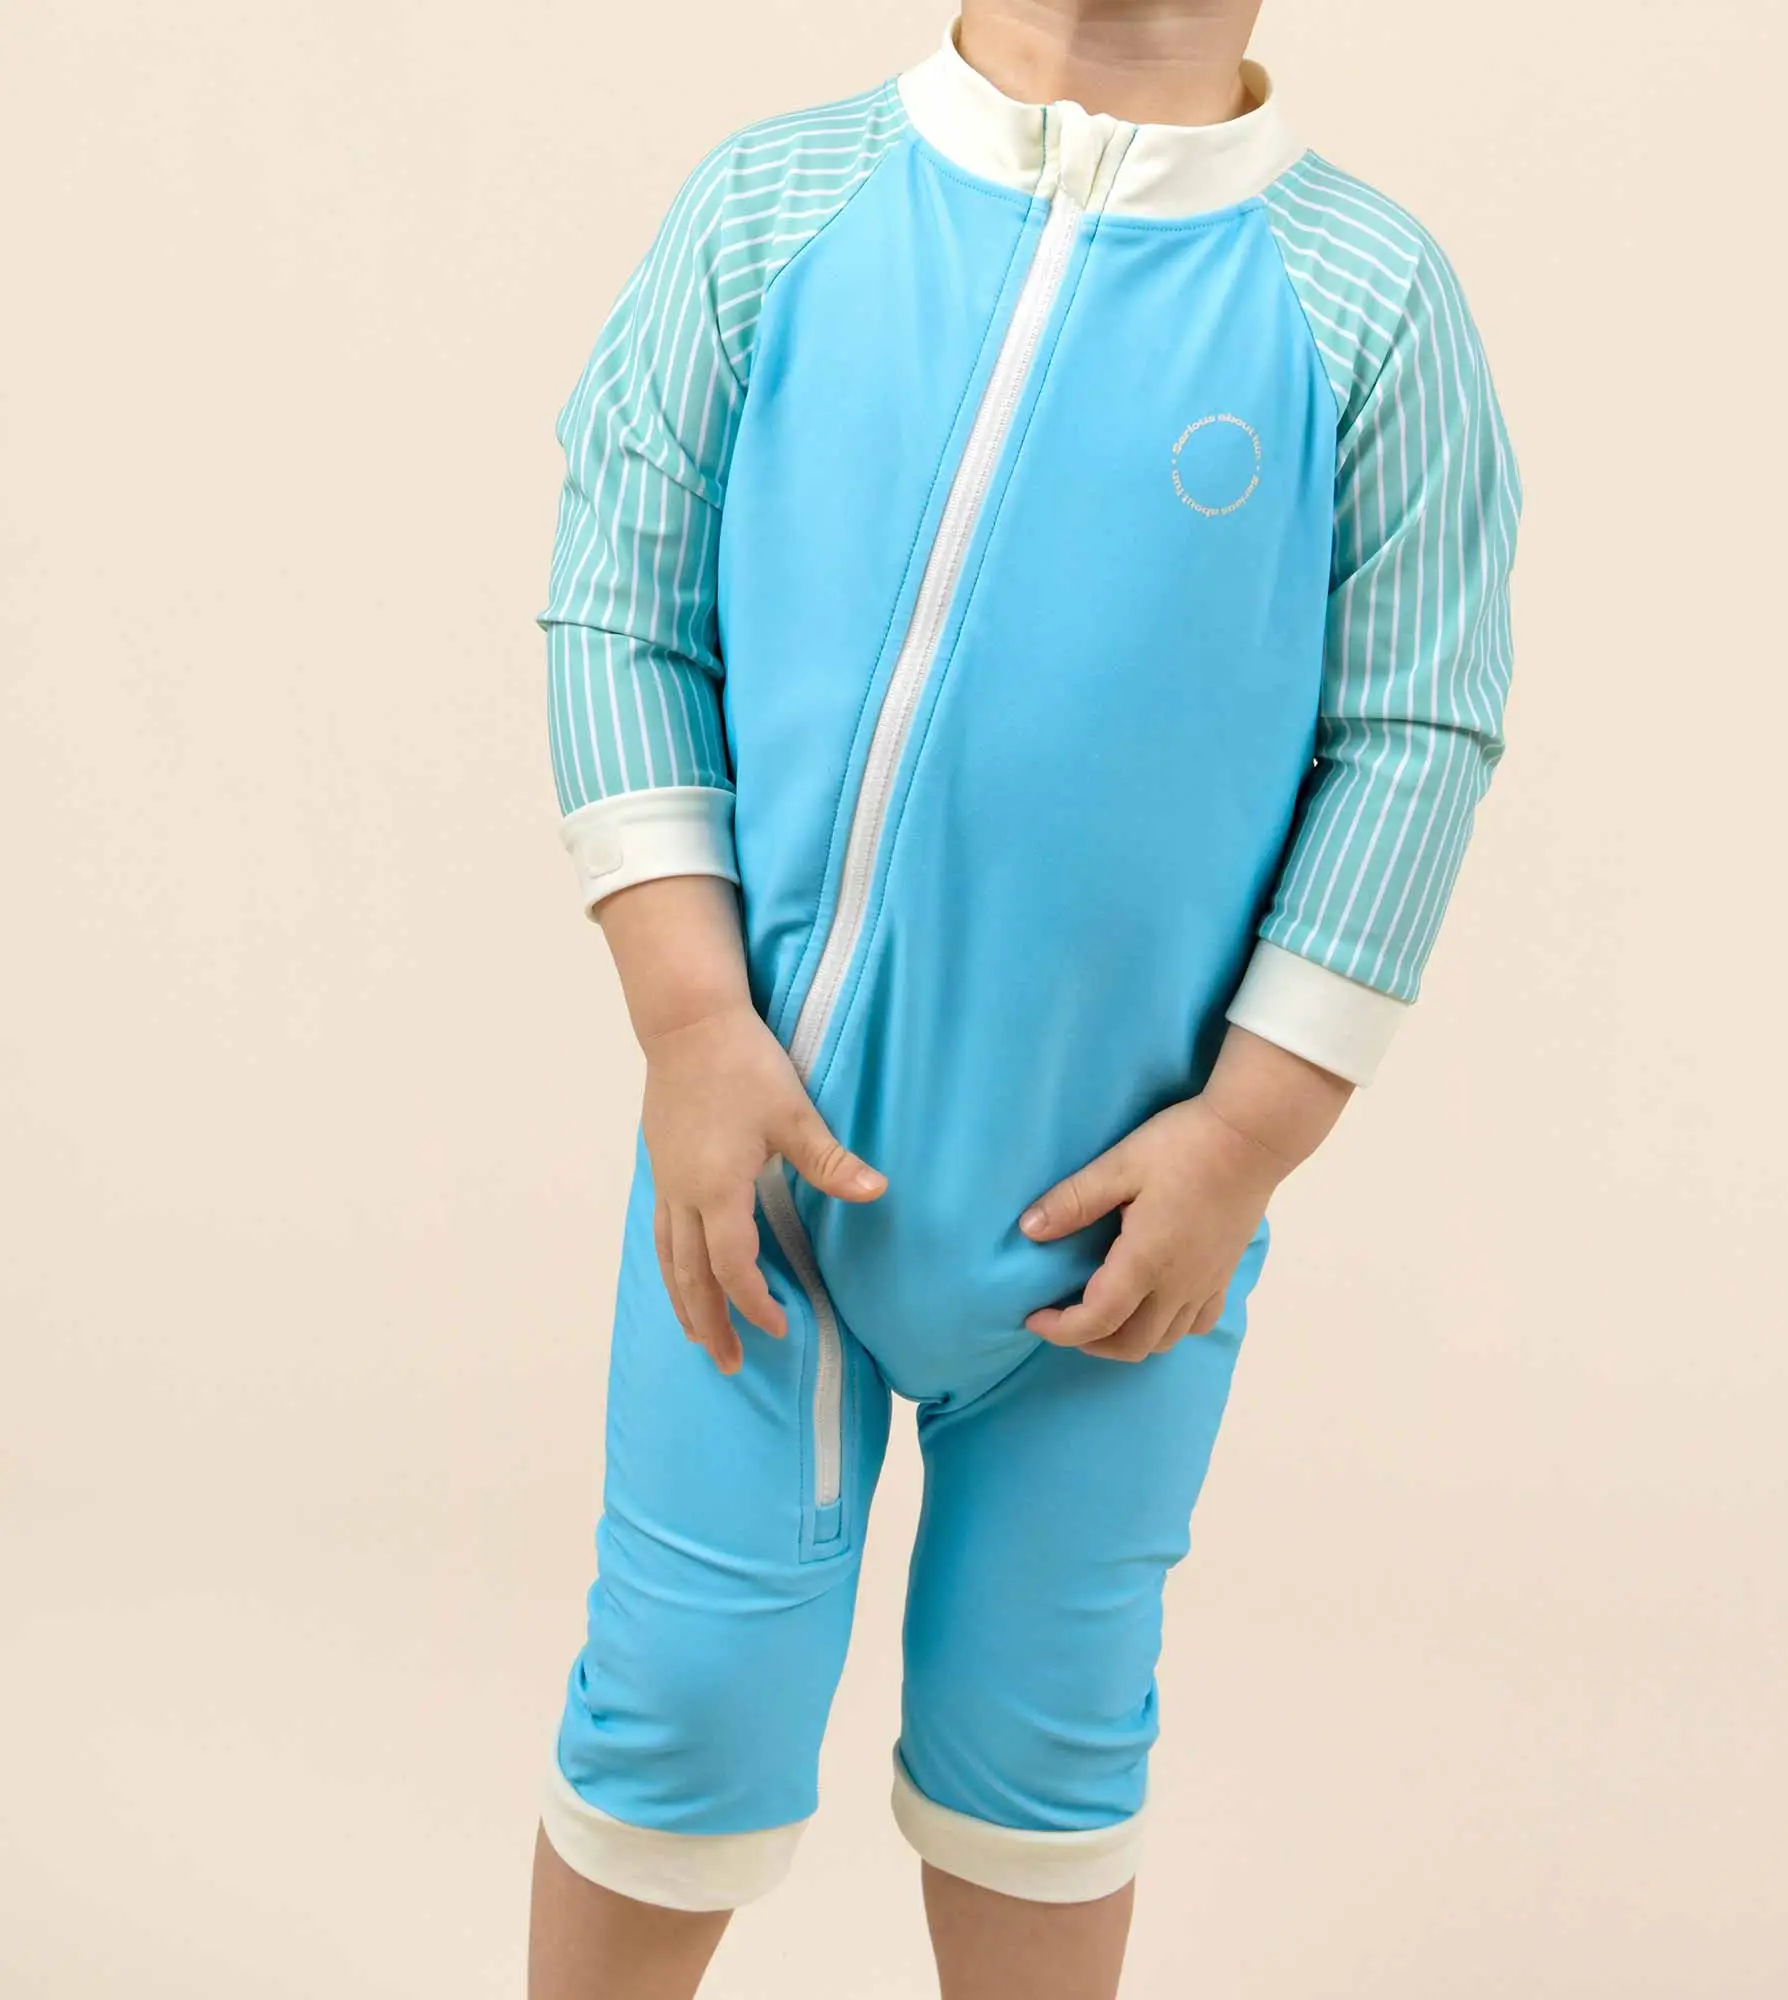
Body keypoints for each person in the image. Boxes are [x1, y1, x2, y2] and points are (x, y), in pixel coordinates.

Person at [526, 1, 1521, 1991]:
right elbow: (622, 600)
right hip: (761, 1183)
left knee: (1043, 1748)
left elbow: (1412, 734)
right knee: (680, 1706)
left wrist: (1248, 1134)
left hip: (1126, 1226)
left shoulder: (1369, 305)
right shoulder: (777, 207)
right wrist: (690, 1022)